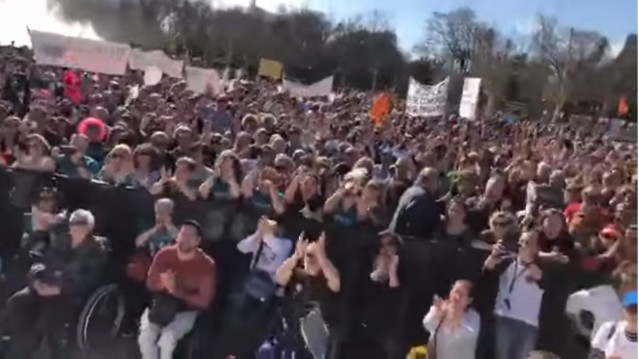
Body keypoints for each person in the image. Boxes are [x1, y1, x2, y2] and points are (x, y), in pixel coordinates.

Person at [5, 209, 106, 358]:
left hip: (69, 294)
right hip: (46, 284)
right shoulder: (61, 240)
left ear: (88, 229)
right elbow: (42, 262)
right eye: (72, 226)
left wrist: (60, 289)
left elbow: (89, 281)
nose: (74, 230)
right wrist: (36, 280)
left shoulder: (96, 250)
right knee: (17, 302)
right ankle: (19, 344)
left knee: (46, 317)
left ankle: (33, 349)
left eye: (79, 227)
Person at [138, 220, 216, 359]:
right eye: (182, 234)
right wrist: (163, 284)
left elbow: (204, 301)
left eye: (190, 236)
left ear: (197, 241)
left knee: (167, 341)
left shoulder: (206, 264)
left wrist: (177, 291)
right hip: (160, 306)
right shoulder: (164, 254)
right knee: (145, 337)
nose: (184, 239)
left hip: (186, 310)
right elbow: (150, 283)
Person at [483, 230, 548, 359]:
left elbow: (544, 283)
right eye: (521, 242)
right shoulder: (507, 261)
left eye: (527, 243)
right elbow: (487, 270)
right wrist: (493, 256)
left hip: (528, 323)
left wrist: (530, 264)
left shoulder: (542, 267)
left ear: (537, 248)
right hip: (504, 317)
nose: (522, 245)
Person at [275, 233, 341, 359]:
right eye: (309, 255)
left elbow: (336, 283)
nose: (311, 259)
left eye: (315, 256)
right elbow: (279, 278)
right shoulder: (297, 275)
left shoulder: (326, 277)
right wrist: (296, 255)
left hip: (316, 339)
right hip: (291, 334)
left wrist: (322, 257)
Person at [422, 279, 481, 359]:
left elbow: (468, 336)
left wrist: (448, 319)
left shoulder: (474, 316)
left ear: (469, 300)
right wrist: (438, 314)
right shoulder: (439, 309)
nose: (457, 297)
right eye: (455, 291)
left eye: (462, 294)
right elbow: (427, 324)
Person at [388, 167, 442, 241]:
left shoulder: (409, 192)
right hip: (409, 243)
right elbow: (419, 228)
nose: (437, 186)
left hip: (395, 238)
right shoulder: (424, 199)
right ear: (431, 181)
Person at [590, 291, 638, 359]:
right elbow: (595, 355)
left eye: (637, 311)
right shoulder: (609, 329)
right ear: (623, 311)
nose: (634, 315)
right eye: (631, 311)